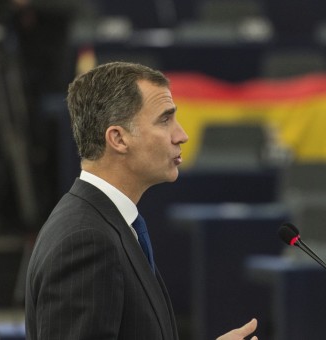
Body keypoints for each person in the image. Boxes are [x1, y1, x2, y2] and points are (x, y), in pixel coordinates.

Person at [24, 62, 258, 339]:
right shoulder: (86, 242)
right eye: (164, 119)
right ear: (119, 139)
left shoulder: (103, 223)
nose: (181, 135)